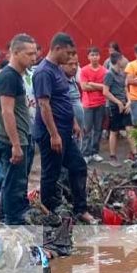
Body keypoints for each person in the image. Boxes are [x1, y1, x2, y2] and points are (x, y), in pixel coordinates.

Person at [33, 32, 94, 224]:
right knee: (51, 174)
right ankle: (48, 214)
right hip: (52, 133)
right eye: (67, 53)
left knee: (78, 166)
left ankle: (80, 209)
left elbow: (64, 98)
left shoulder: (58, 69)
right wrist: (54, 134)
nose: (70, 58)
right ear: (57, 48)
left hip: (65, 131)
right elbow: (44, 105)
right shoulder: (44, 72)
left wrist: (74, 123)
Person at [0, 34, 37, 225]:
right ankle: (13, 221)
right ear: (15, 53)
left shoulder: (17, 76)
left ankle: (6, 216)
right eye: (29, 54)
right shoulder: (9, 77)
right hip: (12, 140)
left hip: (21, 137)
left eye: (35, 53)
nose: (34, 58)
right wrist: (16, 145)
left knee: (16, 181)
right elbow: (7, 112)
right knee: (14, 184)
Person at [104, 51, 137, 164]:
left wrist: (129, 101)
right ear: (118, 61)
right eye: (123, 59)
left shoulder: (123, 73)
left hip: (125, 105)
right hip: (114, 107)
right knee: (114, 131)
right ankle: (112, 156)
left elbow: (125, 89)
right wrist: (118, 102)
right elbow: (106, 92)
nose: (125, 61)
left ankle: (135, 153)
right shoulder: (109, 74)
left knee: (130, 129)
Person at [80, 46, 107, 163]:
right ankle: (85, 153)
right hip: (88, 104)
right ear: (88, 57)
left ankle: (94, 152)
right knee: (87, 130)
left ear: (100, 57)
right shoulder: (84, 70)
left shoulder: (105, 71)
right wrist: (99, 86)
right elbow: (84, 87)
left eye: (96, 55)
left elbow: (106, 87)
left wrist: (92, 84)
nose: (94, 57)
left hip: (101, 103)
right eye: (92, 55)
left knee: (98, 129)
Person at [60, 51, 84, 148]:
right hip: (69, 129)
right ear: (61, 65)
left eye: (76, 64)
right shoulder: (60, 83)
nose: (74, 67)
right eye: (70, 64)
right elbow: (65, 105)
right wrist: (74, 123)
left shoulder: (72, 78)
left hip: (78, 129)